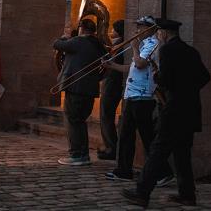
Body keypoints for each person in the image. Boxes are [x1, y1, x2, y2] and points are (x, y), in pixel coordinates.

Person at [122, 18, 211, 208]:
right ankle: (187, 195)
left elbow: (165, 80)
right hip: (191, 109)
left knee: (158, 151)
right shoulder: (191, 51)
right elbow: (205, 77)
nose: (158, 36)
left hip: (173, 109)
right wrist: (188, 89)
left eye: (159, 33)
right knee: (182, 154)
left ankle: (141, 193)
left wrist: (159, 78)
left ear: (163, 33)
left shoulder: (167, 50)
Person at [104, 16, 173, 184]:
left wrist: (134, 48)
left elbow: (140, 63)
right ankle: (123, 170)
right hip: (133, 94)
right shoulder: (144, 44)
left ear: (150, 28)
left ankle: (163, 172)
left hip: (143, 96)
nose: (137, 31)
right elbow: (133, 67)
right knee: (126, 134)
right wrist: (111, 65)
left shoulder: (153, 43)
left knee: (147, 135)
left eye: (141, 27)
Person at [53, 18, 107, 166]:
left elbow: (56, 44)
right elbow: (106, 67)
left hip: (75, 88)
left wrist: (64, 37)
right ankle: (83, 154)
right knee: (80, 121)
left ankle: (77, 154)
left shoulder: (78, 42)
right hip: (90, 89)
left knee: (73, 121)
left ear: (82, 29)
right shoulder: (99, 45)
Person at [97, 19, 126, 161]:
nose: (111, 31)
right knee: (105, 115)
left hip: (113, 83)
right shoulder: (118, 45)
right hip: (111, 82)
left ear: (119, 32)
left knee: (106, 115)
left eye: (114, 29)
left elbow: (114, 62)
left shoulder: (122, 46)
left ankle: (111, 147)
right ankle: (110, 146)